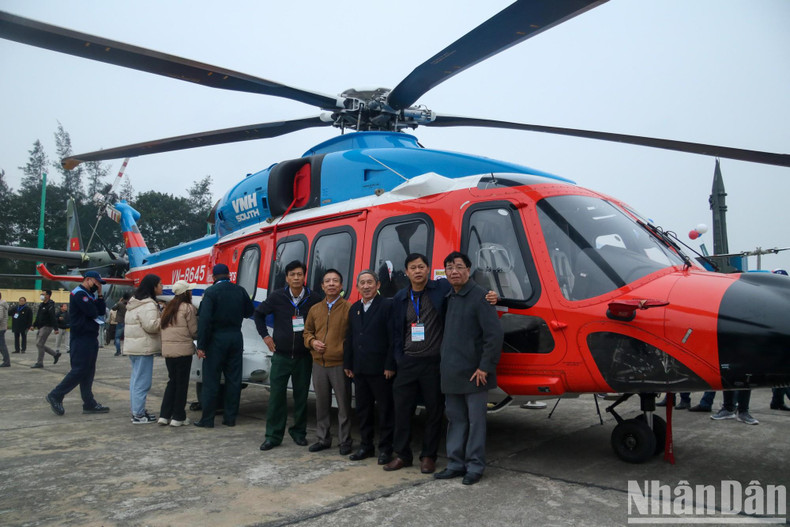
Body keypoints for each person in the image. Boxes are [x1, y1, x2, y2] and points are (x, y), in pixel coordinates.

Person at [384, 253, 498, 474]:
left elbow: (471, 291)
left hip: (434, 363)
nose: (417, 271)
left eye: (421, 267)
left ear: (429, 269)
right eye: (412, 268)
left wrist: (492, 295)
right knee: (402, 411)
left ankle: (429, 456)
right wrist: (396, 359)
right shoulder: (400, 298)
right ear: (406, 272)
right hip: (408, 363)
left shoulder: (442, 289)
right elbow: (395, 332)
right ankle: (403, 455)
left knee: (435, 412)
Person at [433, 251, 503, 486]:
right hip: (451, 373)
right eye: (449, 267)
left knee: (476, 423)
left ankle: (474, 466)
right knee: (456, 421)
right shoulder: (448, 296)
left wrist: (485, 367)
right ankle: (455, 464)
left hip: (475, 374)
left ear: (468, 270)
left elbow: (494, 336)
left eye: (459, 267)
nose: (454, 271)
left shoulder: (481, 297)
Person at [254, 260, 321, 451]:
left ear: (304, 276)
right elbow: (258, 314)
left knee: (301, 397)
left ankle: (299, 433)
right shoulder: (277, 296)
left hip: (303, 357)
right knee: (276, 396)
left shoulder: (314, 298)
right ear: (287, 278)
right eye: (292, 275)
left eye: (300, 274)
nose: (296, 278)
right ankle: (273, 436)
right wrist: (266, 336)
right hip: (281, 356)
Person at [343, 270, 396, 464]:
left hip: (381, 370)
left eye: (370, 282)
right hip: (359, 369)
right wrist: (348, 363)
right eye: (362, 283)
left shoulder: (387, 305)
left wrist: (390, 364)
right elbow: (350, 337)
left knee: (385, 411)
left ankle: (386, 449)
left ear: (378, 285)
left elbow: (393, 338)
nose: (366, 286)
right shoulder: (355, 308)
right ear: (357, 287)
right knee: (363, 410)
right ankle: (366, 446)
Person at [194, 263, 254, 428]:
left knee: (211, 380)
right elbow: (249, 312)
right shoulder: (240, 291)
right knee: (233, 380)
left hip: (216, 340)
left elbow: (204, 320)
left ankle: (207, 420)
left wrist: (201, 345)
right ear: (229, 275)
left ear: (214, 277)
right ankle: (230, 418)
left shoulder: (211, 292)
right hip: (236, 337)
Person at [45, 271, 110, 416]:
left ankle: (89, 403)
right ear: (88, 280)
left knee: (89, 371)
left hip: (90, 337)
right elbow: (93, 313)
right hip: (81, 338)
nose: (98, 285)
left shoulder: (90, 295)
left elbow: (100, 311)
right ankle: (56, 394)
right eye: (96, 282)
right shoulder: (79, 294)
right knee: (80, 370)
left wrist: (100, 294)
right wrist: (96, 304)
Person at [303, 269, 353, 454]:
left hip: (339, 364)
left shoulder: (349, 308)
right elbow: (307, 332)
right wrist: (312, 342)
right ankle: (323, 439)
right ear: (322, 286)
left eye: (335, 281)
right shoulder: (315, 309)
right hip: (319, 364)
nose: (331, 284)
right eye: (327, 281)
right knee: (321, 404)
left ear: (341, 286)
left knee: (344, 405)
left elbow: (354, 336)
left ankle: (345, 441)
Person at [123, 274, 163, 424]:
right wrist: (163, 318)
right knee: (142, 382)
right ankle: (138, 414)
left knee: (135, 380)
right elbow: (151, 326)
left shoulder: (134, 303)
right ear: (153, 287)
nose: (162, 287)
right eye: (160, 284)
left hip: (134, 347)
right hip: (143, 348)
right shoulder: (148, 304)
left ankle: (137, 411)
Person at [158, 280, 198, 427]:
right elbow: (194, 331)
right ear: (185, 293)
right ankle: (178, 417)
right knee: (182, 384)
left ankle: (164, 415)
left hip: (168, 352)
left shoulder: (168, 308)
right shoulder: (188, 308)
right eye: (189, 290)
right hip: (183, 351)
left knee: (172, 382)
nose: (191, 293)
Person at [32, 290, 62, 368]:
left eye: (43, 294)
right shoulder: (42, 305)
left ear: (48, 296)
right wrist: (33, 325)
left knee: (39, 344)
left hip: (47, 326)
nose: (41, 295)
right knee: (39, 344)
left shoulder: (50, 305)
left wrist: (56, 328)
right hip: (40, 326)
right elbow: (38, 316)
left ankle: (40, 363)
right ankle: (55, 354)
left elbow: (53, 317)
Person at [114, 292, 130, 356]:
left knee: (117, 337)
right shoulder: (129, 304)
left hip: (120, 322)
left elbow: (113, 308)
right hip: (127, 322)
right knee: (126, 338)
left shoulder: (120, 304)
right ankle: (125, 351)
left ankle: (118, 351)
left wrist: (119, 301)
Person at [0, 292, 9, 367]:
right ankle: (6, 359)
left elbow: (0, 317)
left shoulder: (1, 305)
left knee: (2, 345)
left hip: (0, 328)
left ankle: (6, 361)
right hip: (2, 327)